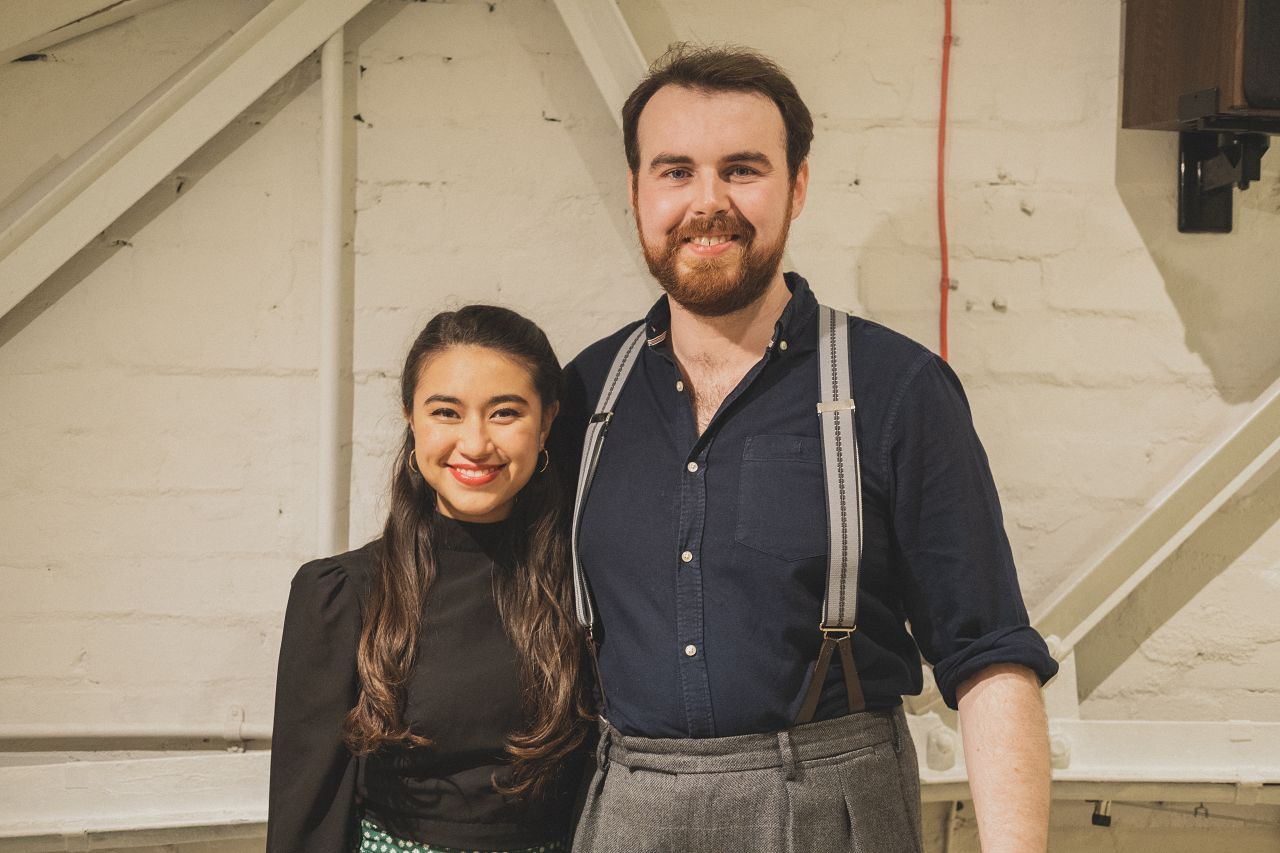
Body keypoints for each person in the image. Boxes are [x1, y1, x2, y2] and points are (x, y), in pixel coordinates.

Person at [553, 45, 1060, 853]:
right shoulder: (583, 395)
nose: (708, 201)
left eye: (742, 169)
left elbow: (989, 653)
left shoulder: (897, 388)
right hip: (628, 808)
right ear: (636, 191)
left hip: (831, 809)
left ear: (797, 186)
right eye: (676, 171)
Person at [267, 306, 591, 853]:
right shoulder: (344, 594)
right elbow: (308, 813)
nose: (475, 443)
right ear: (410, 418)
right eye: (446, 412)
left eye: (505, 413)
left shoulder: (587, 585)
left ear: (547, 421)